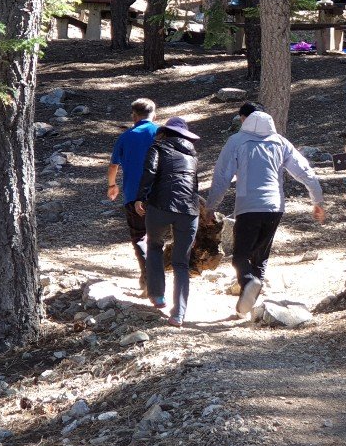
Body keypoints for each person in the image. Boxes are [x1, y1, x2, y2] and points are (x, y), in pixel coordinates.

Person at [207, 102, 325, 317]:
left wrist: (210, 206)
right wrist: (317, 200)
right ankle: (246, 307)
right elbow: (304, 171)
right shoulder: (280, 142)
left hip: (249, 206)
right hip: (275, 207)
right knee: (260, 257)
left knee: (240, 257)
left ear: (243, 119)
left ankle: (248, 283)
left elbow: (222, 176)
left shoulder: (236, 141)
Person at [134, 117, 202, 327]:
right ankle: (179, 314)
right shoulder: (193, 156)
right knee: (181, 262)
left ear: (165, 132)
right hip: (189, 210)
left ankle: (157, 295)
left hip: (160, 206)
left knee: (155, 247)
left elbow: (149, 172)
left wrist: (140, 197)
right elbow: (194, 186)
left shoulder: (158, 148)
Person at [107, 98, 159, 295]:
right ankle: (155, 278)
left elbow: (114, 165)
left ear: (134, 116)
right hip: (161, 194)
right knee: (157, 237)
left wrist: (112, 185)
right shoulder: (161, 133)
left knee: (139, 236)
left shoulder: (126, 136)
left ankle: (148, 278)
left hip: (133, 193)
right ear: (154, 115)